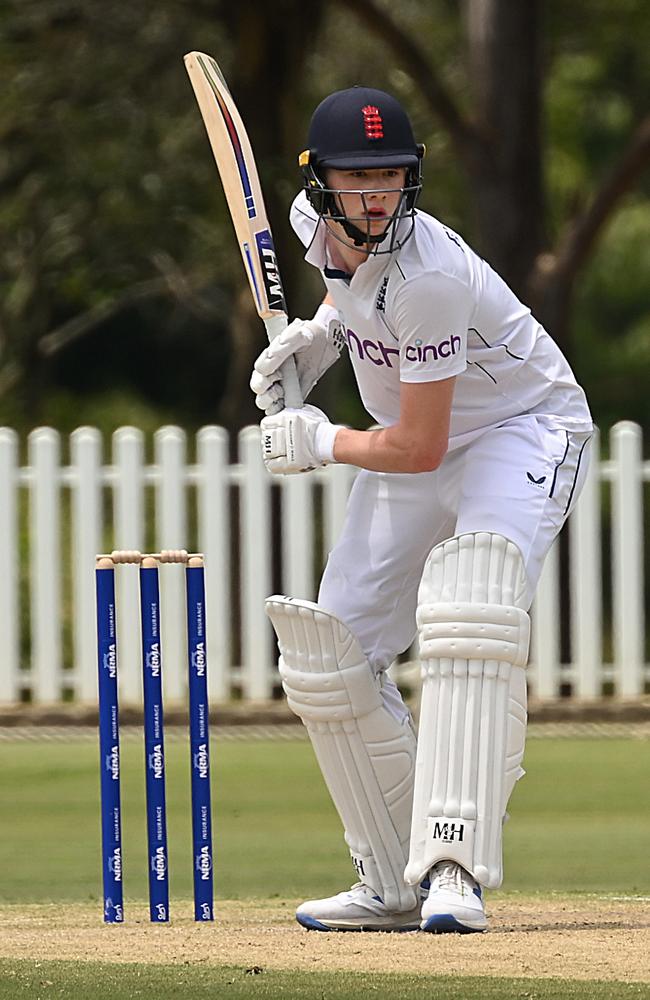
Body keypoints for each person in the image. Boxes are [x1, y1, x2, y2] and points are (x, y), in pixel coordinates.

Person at [251, 86, 592, 933]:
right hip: (421, 433)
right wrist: (322, 336)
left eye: (393, 178)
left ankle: (454, 868)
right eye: (357, 181)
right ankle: (389, 877)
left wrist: (319, 440)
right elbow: (349, 291)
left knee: (469, 610)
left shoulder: (429, 276)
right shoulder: (308, 221)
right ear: (319, 183)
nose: (377, 199)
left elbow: (420, 447)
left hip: (520, 431)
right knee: (333, 650)